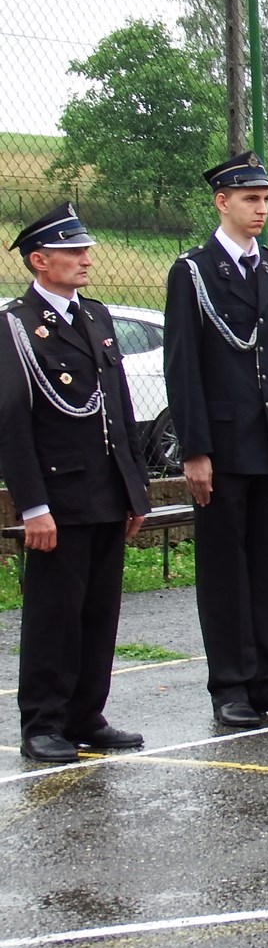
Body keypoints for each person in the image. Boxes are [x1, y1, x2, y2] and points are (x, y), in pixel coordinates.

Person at [163, 151, 268, 728]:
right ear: (221, 202)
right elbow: (184, 368)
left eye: (266, 198)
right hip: (225, 448)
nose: (261, 208)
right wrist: (195, 449)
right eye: (250, 198)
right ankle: (230, 684)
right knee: (226, 568)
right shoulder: (194, 272)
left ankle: (266, 679)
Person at [1, 204, 149, 762]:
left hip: (106, 488)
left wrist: (134, 488)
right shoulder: (15, 325)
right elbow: (12, 424)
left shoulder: (95, 316)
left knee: (98, 611)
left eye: (86, 249)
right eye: (71, 251)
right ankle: (43, 722)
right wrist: (33, 504)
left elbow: (120, 406)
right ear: (39, 261)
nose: (85, 259)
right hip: (60, 495)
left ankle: (87, 714)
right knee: (53, 614)